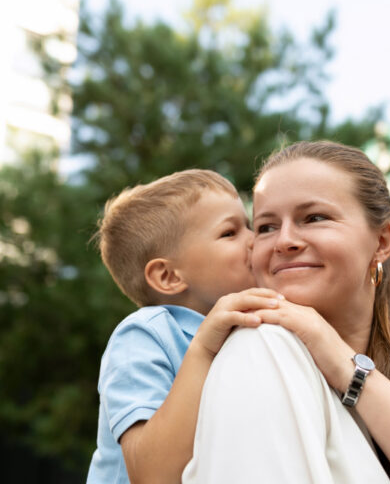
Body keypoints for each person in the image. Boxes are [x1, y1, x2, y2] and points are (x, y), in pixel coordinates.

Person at [184, 141, 390, 483]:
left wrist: (345, 366)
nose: (284, 240)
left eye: (314, 217)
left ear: (383, 242)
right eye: (267, 226)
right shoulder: (259, 346)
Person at [85, 169, 283, 484]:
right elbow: (152, 474)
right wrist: (203, 349)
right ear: (169, 277)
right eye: (230, 233)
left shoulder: (251, 328)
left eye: (249, 225)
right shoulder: (143, 335)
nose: (255, 238)